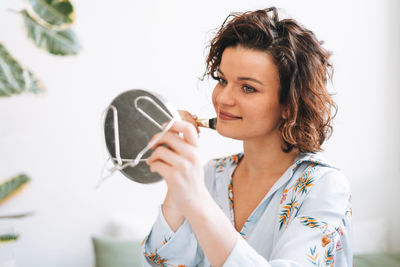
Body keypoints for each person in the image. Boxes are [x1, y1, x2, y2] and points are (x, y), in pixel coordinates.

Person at [141, 7, 352, 267]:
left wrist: (195, 198)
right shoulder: (211, 175)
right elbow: (163, 263)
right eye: (222, 80)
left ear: (290, 103)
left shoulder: (324, 187)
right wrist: (178, 185)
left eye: (248, 88)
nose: (223, 98)